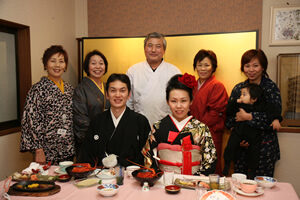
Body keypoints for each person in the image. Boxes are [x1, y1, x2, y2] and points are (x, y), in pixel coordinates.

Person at [142, 73, 217, 175]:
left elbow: (210, 160)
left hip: (193, 182)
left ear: (191, 101)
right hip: (164, 182)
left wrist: (194, 180)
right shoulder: (158, 127)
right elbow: (147, 155)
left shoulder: (201, 128)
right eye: (173, 101)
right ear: (167, 101)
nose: (178, 106)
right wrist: (157, 175)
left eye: (183, 101)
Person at [225, 49, 282, 177]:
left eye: (255, 65)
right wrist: (238, 136)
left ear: (263, 67)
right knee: (239, 185)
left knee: (261, 188)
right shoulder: (238, 88)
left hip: (264, 148)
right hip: (241, 147)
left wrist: (249, 117)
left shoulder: (270, 88)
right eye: (247, 65)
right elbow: (229, 117)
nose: (251, 69)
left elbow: (273, 117)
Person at [79, 73, 151, 167]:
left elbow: (146, 157)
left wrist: (120, 161)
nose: (117, 95)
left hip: (131, 176)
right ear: (107, 95)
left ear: (129, 94)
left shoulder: (140, 121)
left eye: (122, 91)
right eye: (113, 91)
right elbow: (87, 154)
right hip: (100, 177)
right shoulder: (97, 121)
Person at [20, 45, 74, 165]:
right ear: (45, 64)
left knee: (66, 181)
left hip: (67, 147)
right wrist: (38, 149)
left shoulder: (69, 89)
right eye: (52, 61)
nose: (57, 65)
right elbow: (30, 120)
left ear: (65, 66)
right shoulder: (37, 89)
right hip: (46, 150)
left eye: (61, 61)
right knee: (48, 182)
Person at [223, 83, 280, 178]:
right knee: (230, 146)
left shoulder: (261, 104)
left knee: (254, 152)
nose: (241, 96)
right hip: (239, 133)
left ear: (254, 99)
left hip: (255, 136)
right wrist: (235, 102)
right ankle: (227, 164)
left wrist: (276, 119)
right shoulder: (239, 104)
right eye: (241, 94)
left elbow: (272, 110)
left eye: (244, 94)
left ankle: (252, 170)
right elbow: (228, 111)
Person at [126, 32, 181, 125]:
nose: (153, 50)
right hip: (138, 123)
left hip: (167, 124)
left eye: (158, 46)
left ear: (164, 50)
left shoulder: (174, 72)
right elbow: (128, 101)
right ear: (144, 49)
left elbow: (180, 102)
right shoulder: (133, 71)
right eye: (150, 46)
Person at [190, 49, 228, 175]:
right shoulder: (193, 85)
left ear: (213, 67)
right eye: (199, 65)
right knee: (194, 165)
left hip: (210, 133)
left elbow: (214, 114)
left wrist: (197, 129)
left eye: (206, 65)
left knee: (210, 166)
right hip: (192, 133)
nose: (202, 68)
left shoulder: (217, 86)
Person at [73, 50, 110, 162]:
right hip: (90, 141)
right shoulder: (81, 89)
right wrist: (95, 139)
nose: (98, 67)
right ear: (87, 67)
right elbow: (81, 120)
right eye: (93, 63)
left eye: (101, 63)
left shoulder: (107, 87)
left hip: (108, 140)